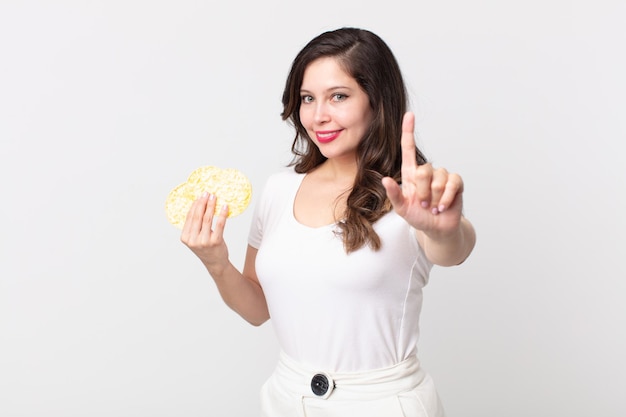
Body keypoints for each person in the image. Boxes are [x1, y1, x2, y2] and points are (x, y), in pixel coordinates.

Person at [180, 27, 476, 417]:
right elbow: (258, 310)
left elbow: (453, 250)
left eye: (339, 96)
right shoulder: (279, 190)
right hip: (286, 399)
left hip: (383, 404)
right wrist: (216, 262)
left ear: (377, 100)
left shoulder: (412, 196)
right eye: (307, 98)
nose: (318, 116)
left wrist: (445, 228)